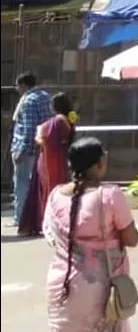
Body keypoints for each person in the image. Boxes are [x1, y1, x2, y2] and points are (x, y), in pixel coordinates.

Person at [42, 136, 138, 332]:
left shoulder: (55, 196)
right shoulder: (109, 195)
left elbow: (51, 238)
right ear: (99, 163)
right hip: (99, 290)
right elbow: (132, 238)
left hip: (60, 285)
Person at [18, 92, 77, 237]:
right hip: (59, 158)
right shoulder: (69, 118)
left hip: (51, 160)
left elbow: (48, 139)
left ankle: (49, 222)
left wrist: (39, 136)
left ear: (55, 106)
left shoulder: (58, 120)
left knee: (48, 191)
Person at [10, 72, 52, 227]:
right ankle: (36, 216)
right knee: (36, 183)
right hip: (41, 147)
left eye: (17, 85)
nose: (16, 89)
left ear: (24, 85)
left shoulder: (28, 101)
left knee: (21, 183)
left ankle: (20, 217)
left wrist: (21, 149)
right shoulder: (45, 97)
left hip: (26, 148)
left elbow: (29, 128)